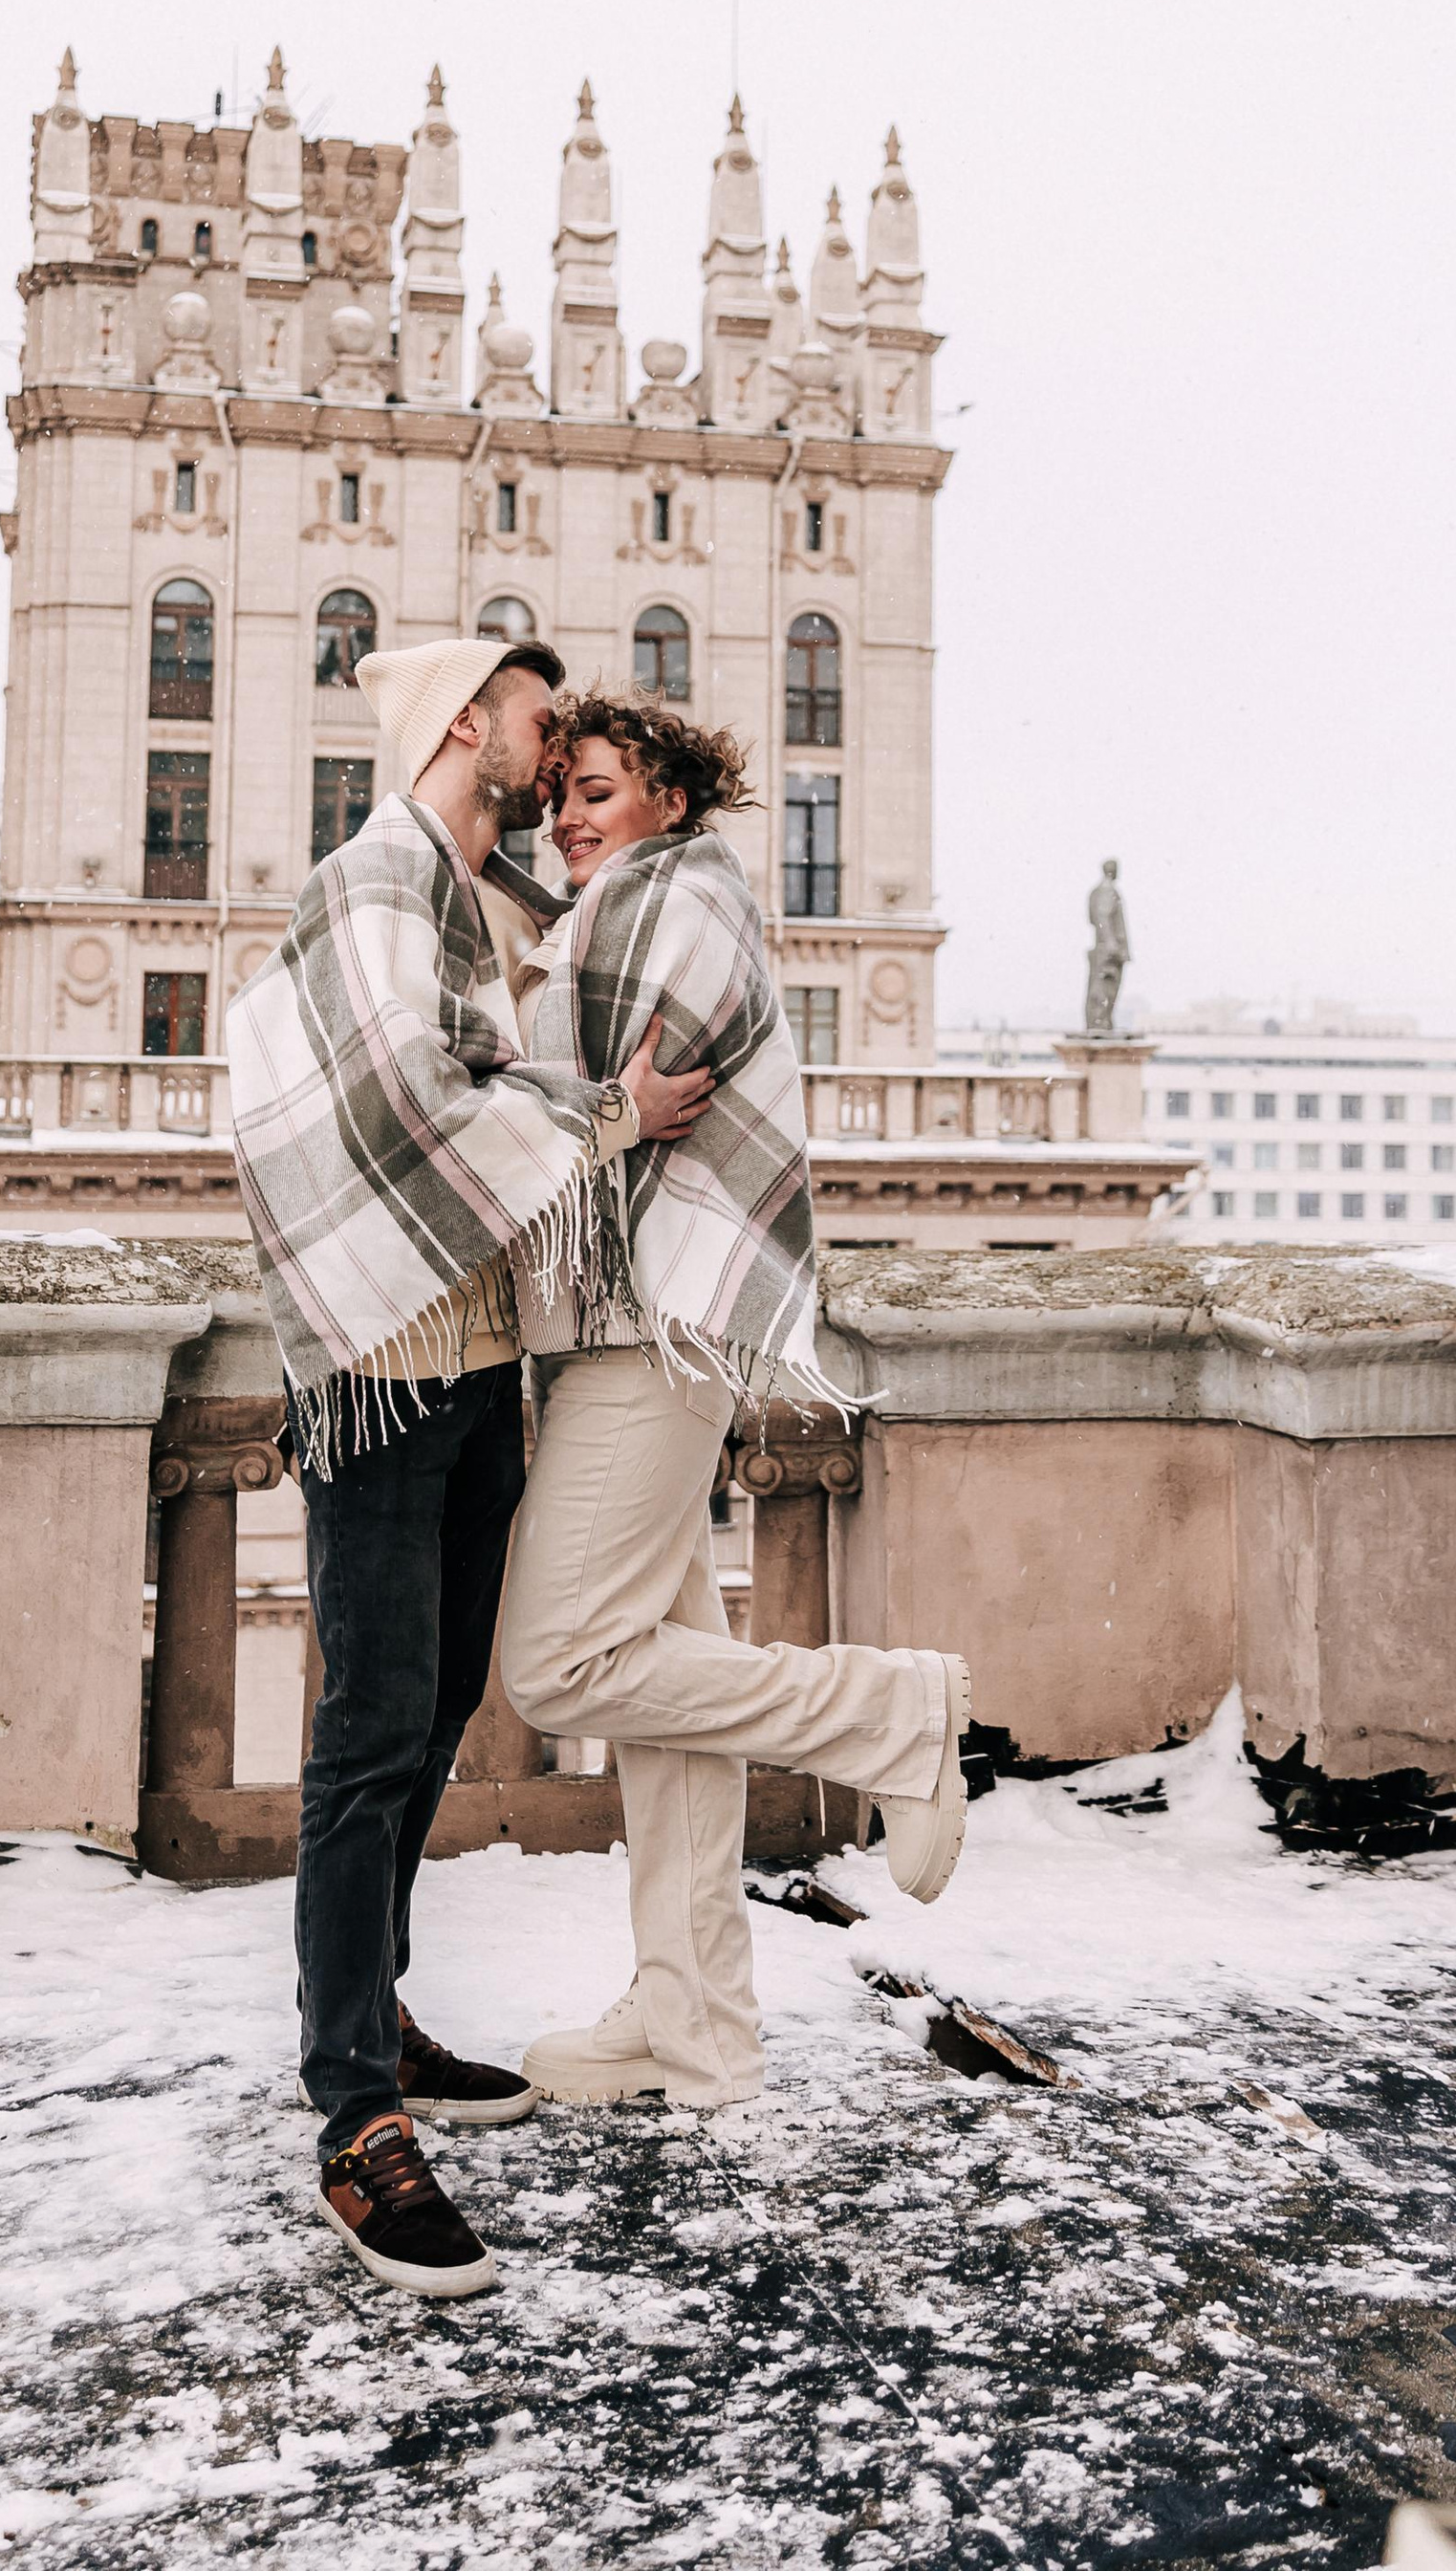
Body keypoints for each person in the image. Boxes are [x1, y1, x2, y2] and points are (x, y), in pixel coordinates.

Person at [226, 637, 714, 2299]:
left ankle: (383, 2013)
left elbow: (512, 1063)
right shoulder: (372, 884)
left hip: (479, 1360)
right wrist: (611, 1118)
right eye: (530, 712)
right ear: (461, 722)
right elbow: (409, 1102)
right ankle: (353, 2115)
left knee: (436, 1715)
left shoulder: (492, 897)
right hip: (377, 1372)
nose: (548, 734)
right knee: (369, 1738)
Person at [496, 694, 973, 2115]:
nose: (569, 816)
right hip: (625, 1323)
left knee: (557, 1664)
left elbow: (554, 1104)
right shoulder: (623, 912)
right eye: (558, 799)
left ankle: (890, 1713)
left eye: (595, 789)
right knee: (664, 1707)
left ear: (673, 797)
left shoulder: (675, 910)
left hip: (659, 1327)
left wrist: (509, 1075)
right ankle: (693, 2025)